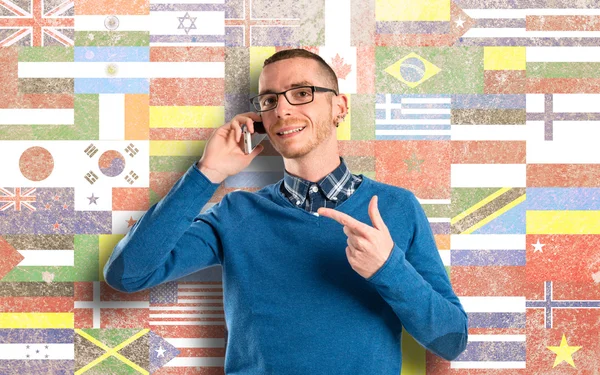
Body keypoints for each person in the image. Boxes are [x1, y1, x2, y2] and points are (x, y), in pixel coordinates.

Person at [103, 48, 468, 374]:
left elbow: (451, 340)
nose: (283, 109)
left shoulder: (395, 207)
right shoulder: (235, 213)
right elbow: (127, 274)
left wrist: (388, 268)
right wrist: (207, 174)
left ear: (339, 106)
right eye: (269, 100)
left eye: (301, 93)